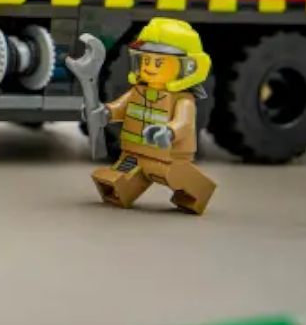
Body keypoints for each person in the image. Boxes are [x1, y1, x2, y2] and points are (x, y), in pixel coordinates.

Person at [91, 18, 217, 215]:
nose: (149, 67)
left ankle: (199, 193)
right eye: (146, 60)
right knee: (117, 179)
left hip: (169, 158)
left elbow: (183, 124)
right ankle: (118, 193)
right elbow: (120, 108)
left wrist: (168, 132)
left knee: (179, 178)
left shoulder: (183, 100)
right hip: (135, 153)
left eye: (159, 63)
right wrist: (105, 113)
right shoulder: (137, 92)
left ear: (188, 67)